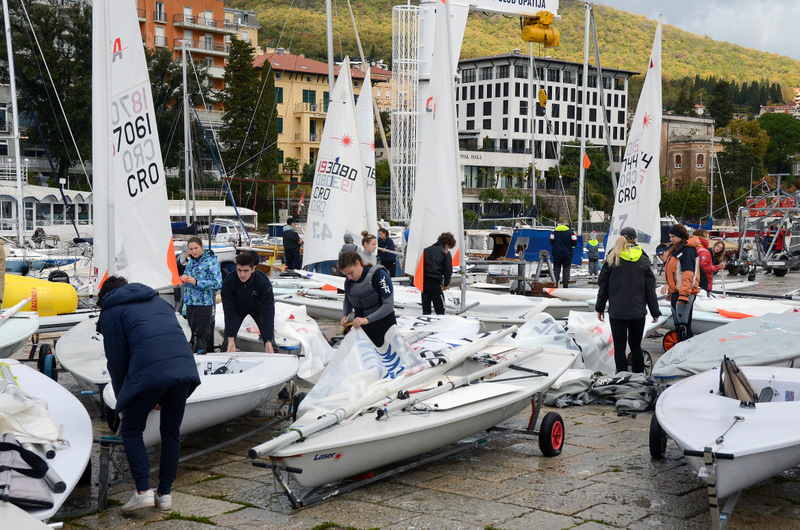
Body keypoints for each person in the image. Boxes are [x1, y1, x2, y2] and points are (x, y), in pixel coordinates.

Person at [96, 276, 200, 513]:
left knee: (132, 429)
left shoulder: (111, 311)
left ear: (106, 297)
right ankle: (164, 495)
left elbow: (117, 361)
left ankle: (143, 491)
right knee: (171, 433)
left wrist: (124, 398)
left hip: (152, 372)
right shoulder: (159, 302)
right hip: (184, 370)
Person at [595, 227, 661, 374]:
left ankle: (622, 376)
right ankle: (638, 377)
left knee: (619, 346)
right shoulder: (643, 259)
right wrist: (655, 311)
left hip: (617, 311)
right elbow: (650, 289)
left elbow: (603, 286)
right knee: (635, 345)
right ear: (635, 239)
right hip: (637, 311)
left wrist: (600, 308)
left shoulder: (612, 257)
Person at [338, 250, 396, 347]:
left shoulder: (379, 275)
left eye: (351, 273)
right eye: (346, 275)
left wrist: (366, 320)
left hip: (384, 328)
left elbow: (389, 305)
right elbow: (348, 301)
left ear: (358, 263)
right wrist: (345, 315)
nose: (349, 277)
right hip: (363, 330)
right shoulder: (348, 282)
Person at [221, 252, 275, 353]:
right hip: (237, 310)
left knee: (270, 343)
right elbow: (229, 312)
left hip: (258, 309)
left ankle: (273, 354)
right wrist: (231, 339)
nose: (242, 274)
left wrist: (268, 340)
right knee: (227, 343)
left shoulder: (263, 282)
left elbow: (268, 312)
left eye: (246, 271)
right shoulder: (229, 282)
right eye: (239, 270)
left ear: (253, 269)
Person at [180, 236, 222, 353]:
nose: (194, 251)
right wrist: (182, 278)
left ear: (202, 247)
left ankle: (203, 357)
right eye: (191, 249)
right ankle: (196, 358)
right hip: (190, 303)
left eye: (196, 248)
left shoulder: (211, 261)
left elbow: (218, 283)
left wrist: (197, 282)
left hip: (204, 305)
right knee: (192, 335)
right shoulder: (191, 262)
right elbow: (186, 275)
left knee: (199, 335)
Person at [664, 224, 700, 342]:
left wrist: (684, 295)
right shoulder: (677, 248)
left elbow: (687, 274)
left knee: (683, 326)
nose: (671, 239)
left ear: (680, 236)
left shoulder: (688, 250)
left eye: (673, 236)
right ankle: (680, 350)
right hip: (676, 291)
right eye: (670, 236)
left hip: (684, 293)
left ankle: (687, 353)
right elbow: (675, 274)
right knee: (678, 326)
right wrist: (671, 290)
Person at [420, 232, 455, 315]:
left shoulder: (425, 250)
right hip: (436, 283)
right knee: (440, 311)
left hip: (424, 283)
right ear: (447, 244)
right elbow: (448, 270)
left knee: (426, 311)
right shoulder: (445, 252)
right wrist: (446, 284)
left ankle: (426, 326)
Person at [693, 229, 725, 293]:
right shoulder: (704, 251)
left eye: (720, 248)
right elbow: (704, 268)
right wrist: (718, 267)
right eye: (707, 237)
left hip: (694, 282)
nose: (709, 239)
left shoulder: (693, 248)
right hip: (702, 283)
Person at [550, 219, 577, 288]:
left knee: (556, 270)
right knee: (566, 270)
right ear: (567, 225)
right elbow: (574, 243)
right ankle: (565, 286)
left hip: (556, 253)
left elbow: (551, 242)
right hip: (567, 254)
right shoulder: (571, 233)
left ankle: (555, 285)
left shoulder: (554, 232)